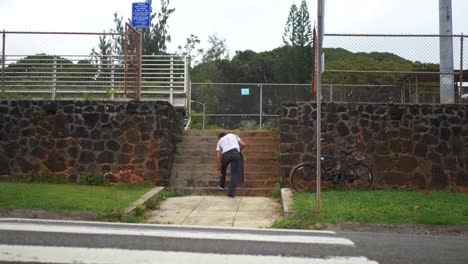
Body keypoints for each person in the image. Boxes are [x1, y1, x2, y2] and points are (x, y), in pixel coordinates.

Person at [216, 132, 245, 198]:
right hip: (235, 153)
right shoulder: (234, 135)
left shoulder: (219, 141)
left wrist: (218, 169)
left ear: (219, 138)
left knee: (223, 169)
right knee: (234, 173)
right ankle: (231, 192)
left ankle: (222, 185)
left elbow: (218, 156)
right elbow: (243, 144)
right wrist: (238, 151)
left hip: (225, 155)